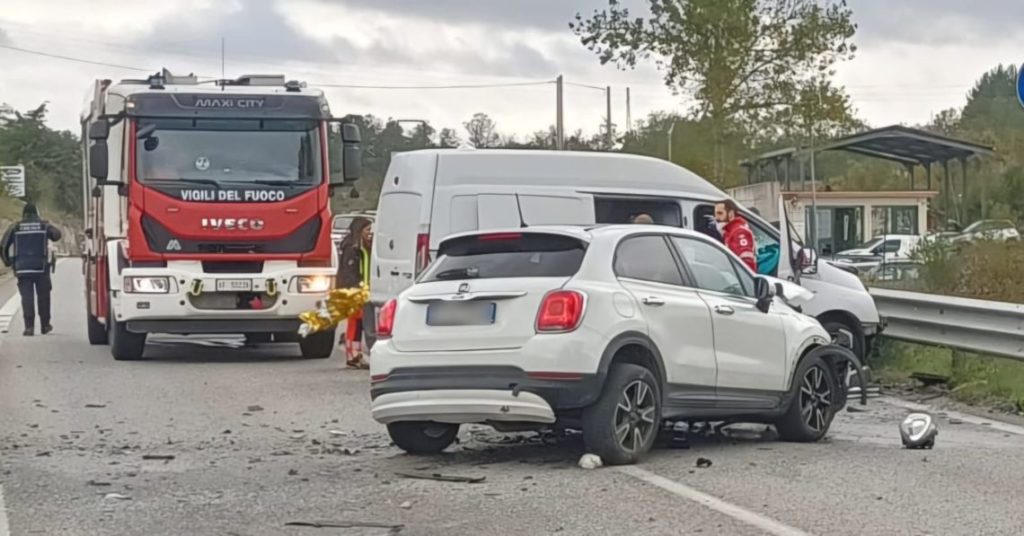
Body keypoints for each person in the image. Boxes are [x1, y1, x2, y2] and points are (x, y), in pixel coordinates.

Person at [1, 203, 62, 336]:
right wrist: (48, 225)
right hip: (41, 268)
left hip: (22, 268)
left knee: (27, 297)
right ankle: (45, 325)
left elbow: (3, 245)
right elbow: (57, 235)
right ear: (37, 213)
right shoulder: (43, 226)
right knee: (44, 297)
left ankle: (29, 327)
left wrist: (8, 262)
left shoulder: (15, 227)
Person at [336, 216, 372, 368]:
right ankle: (353, 354)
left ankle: (354, 353)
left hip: (362, 288)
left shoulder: (362, 246)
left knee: (357, 322)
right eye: (367, 230)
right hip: (354, 290)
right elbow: (349, 272)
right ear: (359, 230)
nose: (370, 233)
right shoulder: (352, 248)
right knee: (356, 323)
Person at [714, 199, 757, 272]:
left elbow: (747, 264)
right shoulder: (729, 231)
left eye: (720, 213)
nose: (716, 217)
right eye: (715, 214)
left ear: (730, 214)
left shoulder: (740, 232)